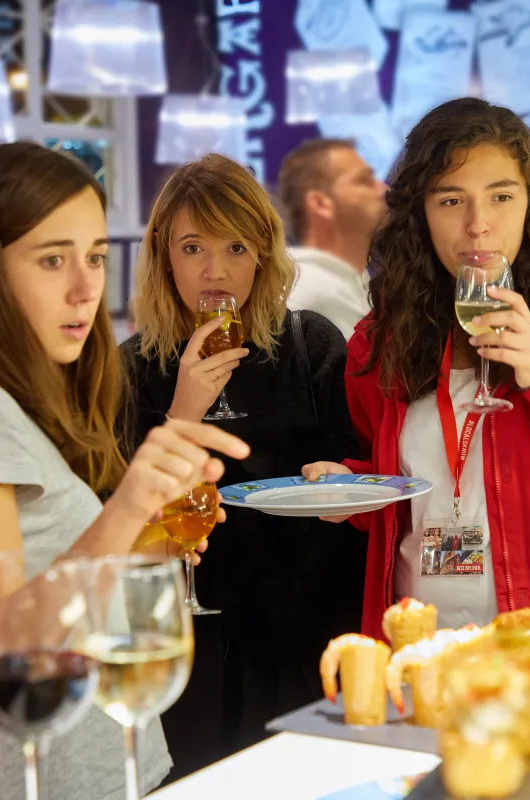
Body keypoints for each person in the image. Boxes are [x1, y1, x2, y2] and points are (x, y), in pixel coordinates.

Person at [0, 143, 249, 800]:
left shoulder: (2, 395)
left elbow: (57, 582)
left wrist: (150, 535)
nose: (85, 288)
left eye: (95, 257)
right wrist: (127, 507)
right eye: (52, 260)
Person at [304, 98, 530, 637]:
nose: (478, 225)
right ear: (420, 213)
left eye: (501, 197)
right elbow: (405, 485)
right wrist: (353, 489)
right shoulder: (382, 334)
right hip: (421, 640)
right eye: (451, 200)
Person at [121, 154, 365, 778]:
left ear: (262, 253)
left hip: (304, 633)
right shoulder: (132, 369)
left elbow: (359, 463)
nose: (215, 270)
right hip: (190, 644)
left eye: (235, 246)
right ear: (164, 257)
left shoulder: (309, 344)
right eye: (193, 248)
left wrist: (341, 477)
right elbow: (119, 518)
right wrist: (183, 411)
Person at [279, 138, 387, 340]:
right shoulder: (301, 290)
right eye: (364, 181)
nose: (383, 190)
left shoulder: (351, 284)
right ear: (320, 203)